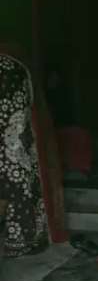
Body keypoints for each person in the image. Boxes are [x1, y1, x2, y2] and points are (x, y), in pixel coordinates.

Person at [0, 45, 48, 256]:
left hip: (11, 138)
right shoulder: (15, 64)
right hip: (17, 139)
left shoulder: (8, 67)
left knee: (14, 178)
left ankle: (18, 239)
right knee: (19, 177)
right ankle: (25, 237)